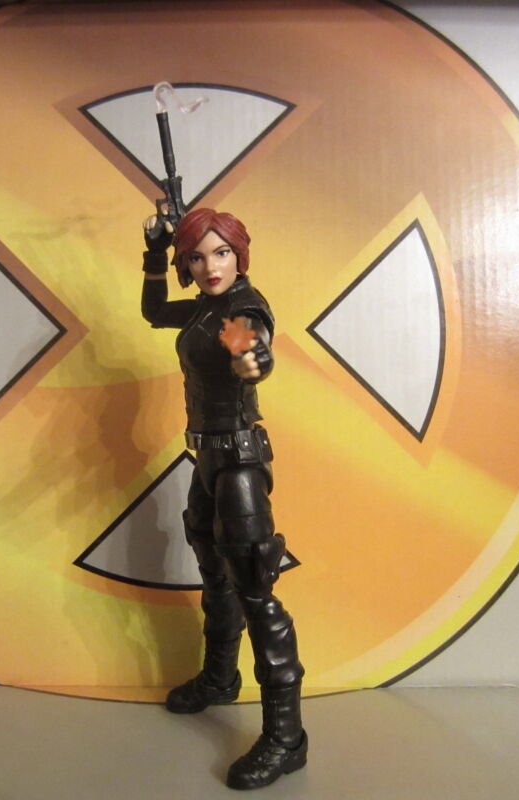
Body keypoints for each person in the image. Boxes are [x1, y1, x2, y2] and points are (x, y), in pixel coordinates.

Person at [141, 207, 307, 790]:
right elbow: (155, 312)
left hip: (238, 462)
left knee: (255, 589)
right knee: (214, 575)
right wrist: (155, 252)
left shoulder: (241, 307)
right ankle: (219, 679)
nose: (210, 266)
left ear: (239, 255)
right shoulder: (204, 307)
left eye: (221, 253)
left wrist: (250, 354)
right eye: (196, 256)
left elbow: (253, 352)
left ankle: (286, 738)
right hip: (207, 458)